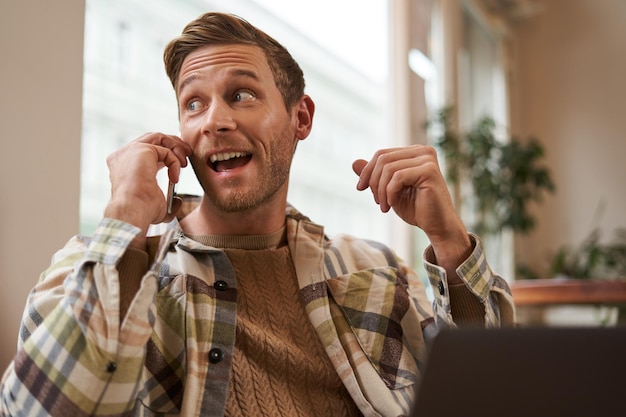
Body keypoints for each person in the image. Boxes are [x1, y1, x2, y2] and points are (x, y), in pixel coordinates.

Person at [0, 12, 515, 417]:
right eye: (193, 104)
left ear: (301, 117)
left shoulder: (374, 269)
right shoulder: (101, 265)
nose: (214, 122)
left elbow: (491, 397)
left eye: (241, 95)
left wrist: (450, 242)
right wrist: (125, 216)